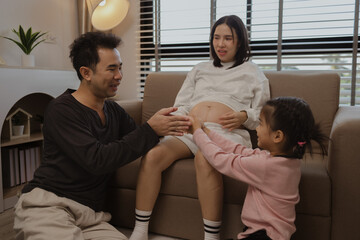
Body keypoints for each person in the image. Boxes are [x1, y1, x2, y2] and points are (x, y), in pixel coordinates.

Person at [13, 31, 191, 240]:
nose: (119, 75)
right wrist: (151, 129)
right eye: (111, 69)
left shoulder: (113, 111)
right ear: (86, 73)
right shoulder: (61, 110)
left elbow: (138, 141)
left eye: (120, 67)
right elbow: (97, 160)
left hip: (91, 215)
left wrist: (177, 133)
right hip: (48, 204)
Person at [130, 15, 270, 240]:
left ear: (240, 42)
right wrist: (181, 119)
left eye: (228, 38)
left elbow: (262, 116)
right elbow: (182, 104)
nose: (220, 44)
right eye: (216, 37)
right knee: (153, 156)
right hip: (191, 129)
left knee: (206, 158)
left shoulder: (253, 72)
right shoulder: (199, 69)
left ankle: (210, 237)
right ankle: (139, 230)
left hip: (225, 133)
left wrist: (243, 116)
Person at [190, 96, 328, 240]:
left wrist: (197, 133)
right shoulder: (287, 162)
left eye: (261, 124)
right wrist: (206, 131)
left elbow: (219, 160)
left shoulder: (266, 166)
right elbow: (239, 150)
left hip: (264, 236)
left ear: (277, 136)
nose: (256, 128)